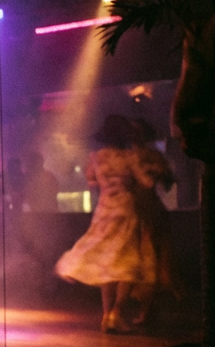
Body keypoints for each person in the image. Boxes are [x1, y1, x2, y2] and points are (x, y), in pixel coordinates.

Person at [54, 114, 159, 332]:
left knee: (106, 263)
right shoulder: (129, 157)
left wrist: (103, 182)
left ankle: (106, 315)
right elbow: (146, 183)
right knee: (127, 264)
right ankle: (116, 313)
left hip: (104, 211)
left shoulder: (96, 158)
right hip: (126, 211)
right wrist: (154, 172)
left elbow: (91, 182)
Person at [128, 118, 178, 325]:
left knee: (151, 259)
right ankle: (143, 309)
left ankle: (147, 309)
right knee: (137, 259)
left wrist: (158, 172)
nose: (134, 136)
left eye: (137, 132)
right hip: (130, 212)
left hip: (149, 211)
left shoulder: (152, 156)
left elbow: (167, 182)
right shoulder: (127, 156)